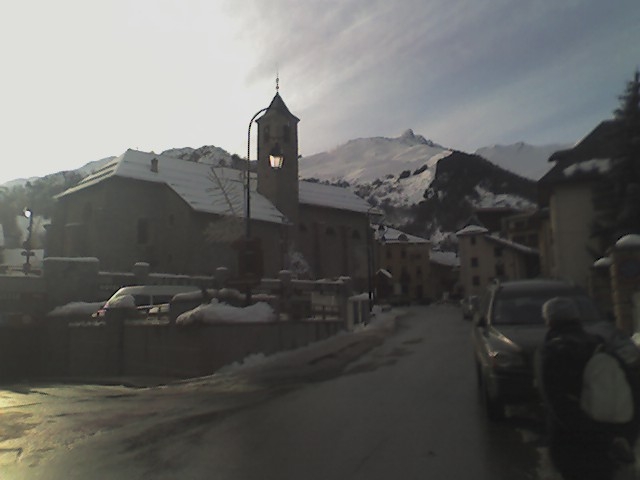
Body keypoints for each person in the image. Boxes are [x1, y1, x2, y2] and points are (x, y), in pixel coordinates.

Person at [536, 297, 637, 480]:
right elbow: (629, 385)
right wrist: (621, 436)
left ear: (549, 321)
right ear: (577, 318)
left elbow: (557, 404)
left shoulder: (552, 352)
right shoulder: (599, 345)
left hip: (572, 446)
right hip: (607, 444)